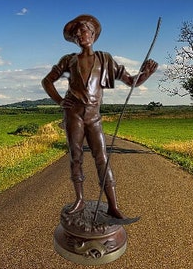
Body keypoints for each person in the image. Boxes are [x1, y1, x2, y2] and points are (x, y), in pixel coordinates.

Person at [42, 15, 158, 219]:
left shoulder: (105, 59)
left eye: (83, 30)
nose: (79, 35)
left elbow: (131, 80)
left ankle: (113, 205)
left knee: (102, 158)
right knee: (75, 156)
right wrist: (60, 101)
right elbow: (47, 81)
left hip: (94, 117)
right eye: (75, 33)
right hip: (74, 115)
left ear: (93, 34)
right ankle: (79, 200)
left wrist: (145, 74)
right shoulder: (69, 60)